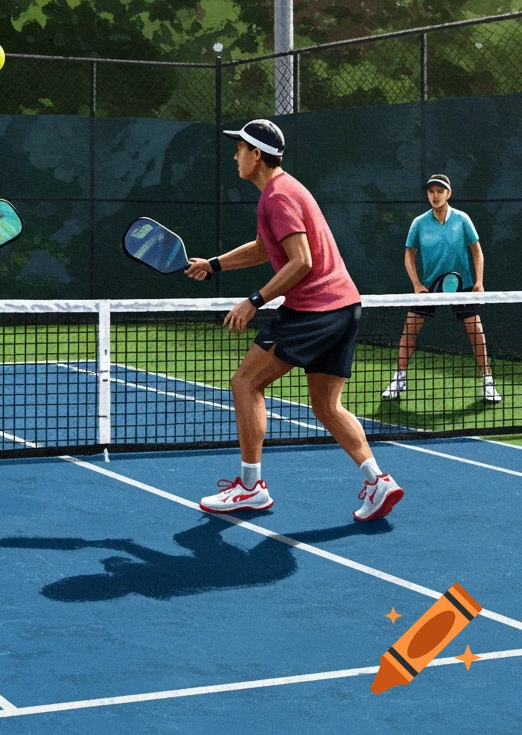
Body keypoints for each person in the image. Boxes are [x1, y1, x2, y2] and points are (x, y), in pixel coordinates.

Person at [184, 119, 402, 522]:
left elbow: (301, 261)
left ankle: (250, 489)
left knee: (245, 382)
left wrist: (255, 300)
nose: (234, 156)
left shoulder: (277, 196)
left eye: (239, 150)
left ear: (256, 155)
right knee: (326, 405)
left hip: (312, 310)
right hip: (344, 307)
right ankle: (378, 481)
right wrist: (214, 265)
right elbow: (263, 248)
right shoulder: (285, 189)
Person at [381, 174, 500, 404]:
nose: (434, 196)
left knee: (476, 332)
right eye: (431, 191)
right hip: (430, 287)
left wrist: (479, 281)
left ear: (448, 194)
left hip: (461, 285)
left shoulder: (462, 219)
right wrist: (417, 284)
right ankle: (400, 378)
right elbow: (409, 254)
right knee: (410, 330)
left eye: (439, 191)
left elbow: (476, 249)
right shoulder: (419, 223)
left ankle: (488, 381)